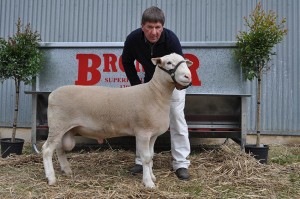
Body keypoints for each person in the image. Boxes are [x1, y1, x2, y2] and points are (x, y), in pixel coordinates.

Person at [121, 6, 190, 180]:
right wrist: (137, 86)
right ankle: (141, 161)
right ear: (142, 26)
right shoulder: (133, 39)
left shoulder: (171, 40)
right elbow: (127, 62)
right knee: (142, 122)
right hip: (148, 88)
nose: (154, 32)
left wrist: (180, 86)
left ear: (163, 27)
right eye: (150, 27)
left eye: (158, 27)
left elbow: (181, 68)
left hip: (171, 87)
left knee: (176, 117)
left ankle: (181, 164)